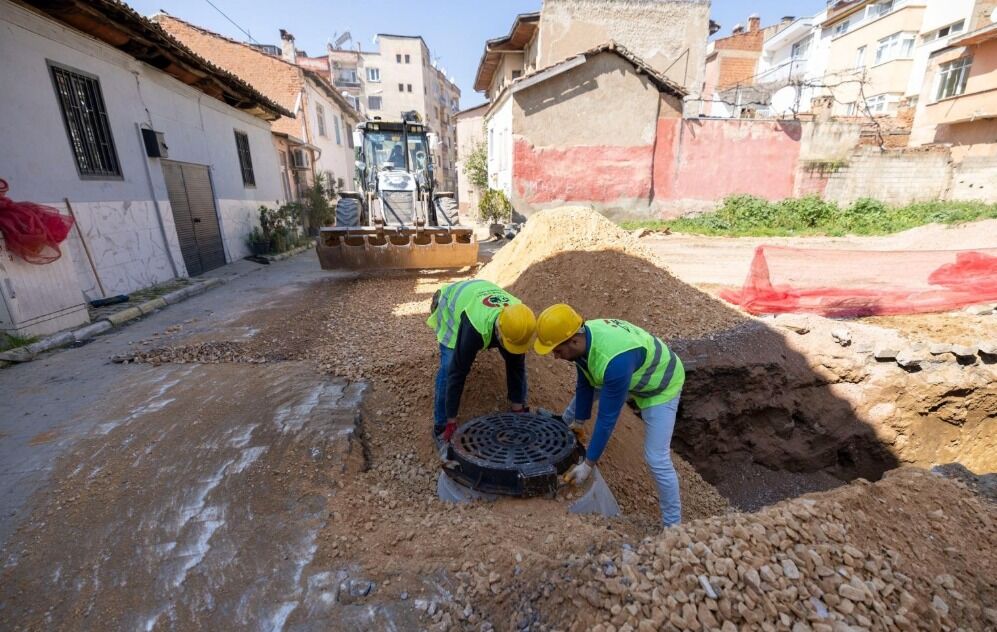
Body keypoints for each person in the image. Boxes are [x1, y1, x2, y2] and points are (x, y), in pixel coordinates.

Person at [534, 304, 685, 527]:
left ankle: (674, 526)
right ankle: (566, 422)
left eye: (557, 351)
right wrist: (579, 421)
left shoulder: (613, 361)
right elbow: (585, 381)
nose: (555, 357)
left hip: (661, 385)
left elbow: (607, 419)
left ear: (573, 340)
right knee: (592, 383)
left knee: (656, 458)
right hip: (629, 371)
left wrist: (588, 464)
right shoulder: (585, 339)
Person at [427, 280, 537, 443]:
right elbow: (457, 374)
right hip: (451, 302)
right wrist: (452, 421)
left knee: (515, 359)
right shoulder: (474, 326)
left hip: (479, 294)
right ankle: (441, 426)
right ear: (499, 333)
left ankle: (517, 407)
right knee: (450, 365)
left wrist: (518, 409)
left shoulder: (519, 319)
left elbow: (516, 365)